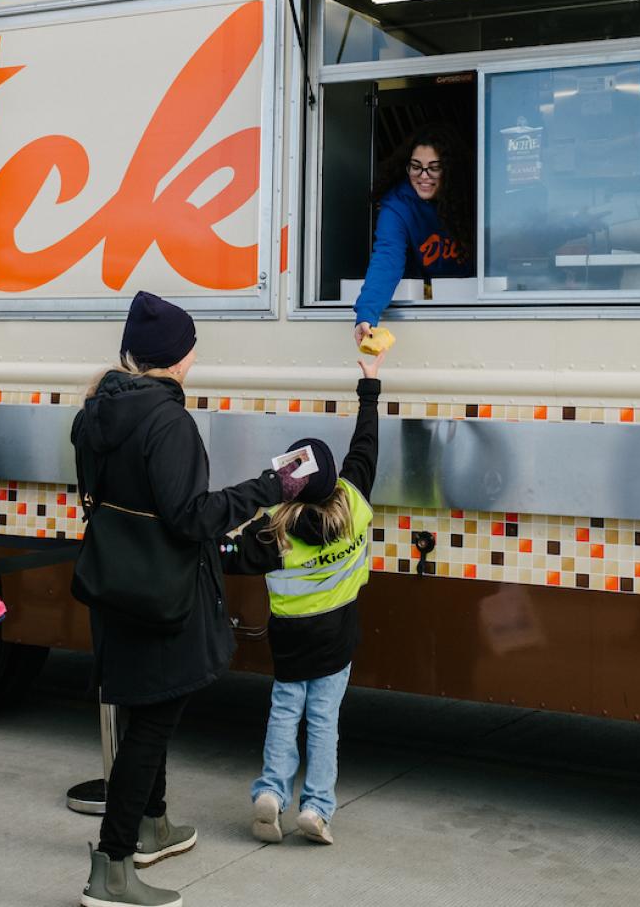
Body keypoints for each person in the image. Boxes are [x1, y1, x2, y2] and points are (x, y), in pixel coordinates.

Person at [72, 291, 307, 907]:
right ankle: (113, 866)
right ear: (177, 357)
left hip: (114, 585)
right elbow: (190, 518)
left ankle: (152, 824)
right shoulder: (168, 421)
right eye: (192, 345)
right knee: (154, 720)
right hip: (163, 592)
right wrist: (271, 486)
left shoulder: (97, 410)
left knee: (143, 707)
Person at [220, 347, 385, 845]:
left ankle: (270, 793)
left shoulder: (274, 533)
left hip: (291, 642)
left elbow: (222, 551)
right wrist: (370, 385)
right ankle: (316, 807)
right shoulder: (354, 498)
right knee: (323, 722)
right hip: (338, 638)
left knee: (285, 712)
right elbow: (366, 444)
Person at [354, 124, 474, 346]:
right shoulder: (398, 204)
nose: (423, 176)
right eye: (416, 167)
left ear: (449, 169)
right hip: (425, 310)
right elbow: (387, 258)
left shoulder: (473, 198)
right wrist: (367, 314)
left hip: (474, 309)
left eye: (434, 168)